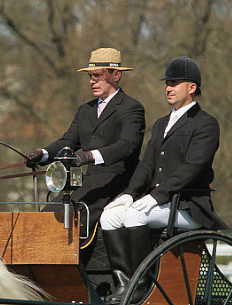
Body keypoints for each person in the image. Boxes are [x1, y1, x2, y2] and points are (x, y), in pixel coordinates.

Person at [100, 56, 229, 304]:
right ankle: (123, 283)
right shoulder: (161, 124)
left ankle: (142, 283)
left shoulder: (206, 124)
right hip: (160, 206)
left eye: (175, 83)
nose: (168, 88)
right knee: (110, 216)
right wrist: (129, 194)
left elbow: (191, 168)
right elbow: (147, 165)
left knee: (135, 216)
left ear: (192, 88)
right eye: (167, 83)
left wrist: (154, 197)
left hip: (188, 207)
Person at [25, 47, 146, 230]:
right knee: (46, 219)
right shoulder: (85, 110)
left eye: (97, 76)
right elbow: (68, 142)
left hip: (118, 181)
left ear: (116, 75)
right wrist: (41, 154)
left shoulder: (131, 108)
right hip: (87, 181)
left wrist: (89, 156)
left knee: (75, 221)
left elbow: (127, 145)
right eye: (90, 76)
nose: (92, 82)